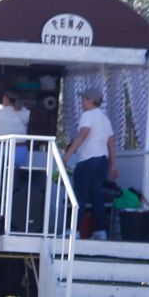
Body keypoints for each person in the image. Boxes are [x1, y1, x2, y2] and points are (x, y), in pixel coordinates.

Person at [65, 88, 117, 240]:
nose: (82, 102)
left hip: (88, 159)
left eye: (84, 99)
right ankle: (100, 231)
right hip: (102, 160)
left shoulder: (87, 115)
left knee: (79, 195)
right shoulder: (104, 119)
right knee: (96, 196)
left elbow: (83, 133)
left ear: (90, 100)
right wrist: (113, 164)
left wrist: (68, 155)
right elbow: (111, 141)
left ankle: (73, 230)